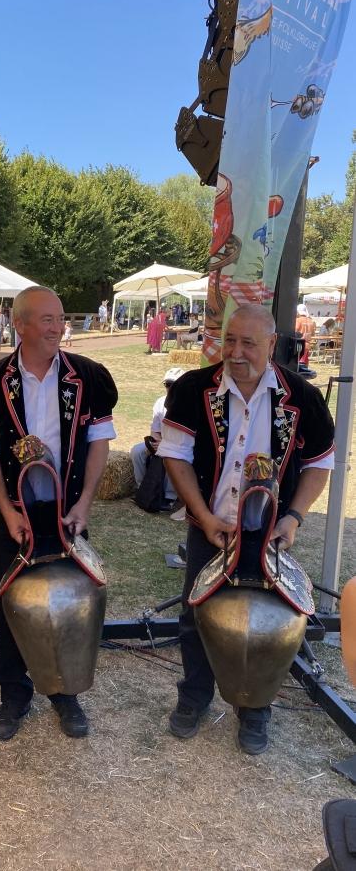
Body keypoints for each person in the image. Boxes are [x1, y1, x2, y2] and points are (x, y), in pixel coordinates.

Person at [157, 304, 334, 755]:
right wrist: (203, 516)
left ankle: (255, 710)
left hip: (269, 535)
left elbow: (320, 464)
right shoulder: (194, 389)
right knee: (195, 616)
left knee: (265, 625)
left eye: (248, 343)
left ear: (271, 344)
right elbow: (175, 455)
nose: (236, 352)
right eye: (230, 340)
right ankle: (194, 697)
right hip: (211, 526)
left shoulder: (301, 397)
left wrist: (293, 518)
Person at [0, 286, 117, 741]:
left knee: (68, 602)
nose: (58, 327)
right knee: (7, 604)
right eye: (47, 319)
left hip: (67, 512)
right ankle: (13, 695)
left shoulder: (89, 377)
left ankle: (64, 692)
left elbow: (99, 444)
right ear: (20, 324)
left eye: (60, 318)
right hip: (12, 512)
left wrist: (84, 505)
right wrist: (6, 509)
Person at [130, 367, 183, 511]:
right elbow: (154, 430)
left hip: (181, 445)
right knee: (136, 451)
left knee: (172, 454)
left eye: (173, 384)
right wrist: (155, 443)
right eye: (167, 384)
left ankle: (170, 497)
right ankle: (143, 489)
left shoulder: (191, 404)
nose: (170, 388)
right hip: (161, 441)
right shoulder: (160, 402)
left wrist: (165, 445)